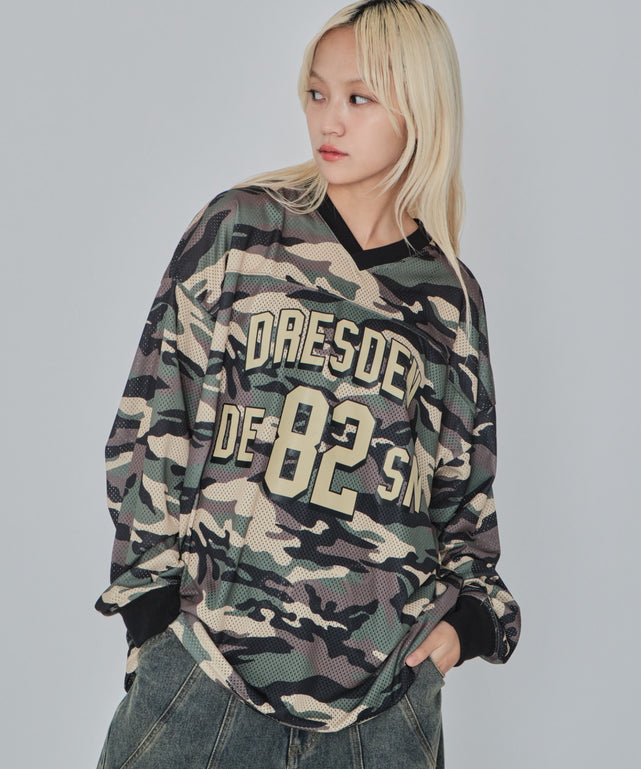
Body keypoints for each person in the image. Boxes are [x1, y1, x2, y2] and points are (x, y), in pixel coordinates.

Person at [96, 2, 521, 767]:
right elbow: (153, 419)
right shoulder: (240, 230)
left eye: (359, 97)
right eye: (317, 92)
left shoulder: (448, 300)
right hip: (206, 676)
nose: (329, 118)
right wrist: (153, 618)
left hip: (381, 710)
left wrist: (462, 628)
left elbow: (462, 500)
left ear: (420, 108)